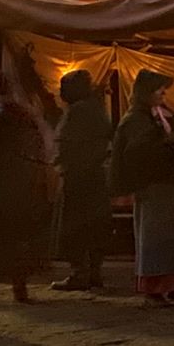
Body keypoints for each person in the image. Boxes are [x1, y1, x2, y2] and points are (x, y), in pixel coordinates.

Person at [110, 70, 174, 306]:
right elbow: (138, 152)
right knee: (157, 239)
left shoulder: (161, 114)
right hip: (154, 185)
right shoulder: (135, 120)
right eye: (158, 89)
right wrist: (168, 142)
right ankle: (156, 289)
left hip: (173, 183)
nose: (163, 93)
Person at [0, 69, 56, 303]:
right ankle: (19, 286)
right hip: (19, 182)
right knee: (17, 236)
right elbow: (43, 144)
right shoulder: (23, 113)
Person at [51, 70, 112, 292]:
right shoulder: (97, 109)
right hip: (95, 177)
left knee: (76, 227)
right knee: (94, 227)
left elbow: (68, 144)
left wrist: (61, 163)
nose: (61, 93)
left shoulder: (79, 111)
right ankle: (94, 272)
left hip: (79, 177)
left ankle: (80, 273)